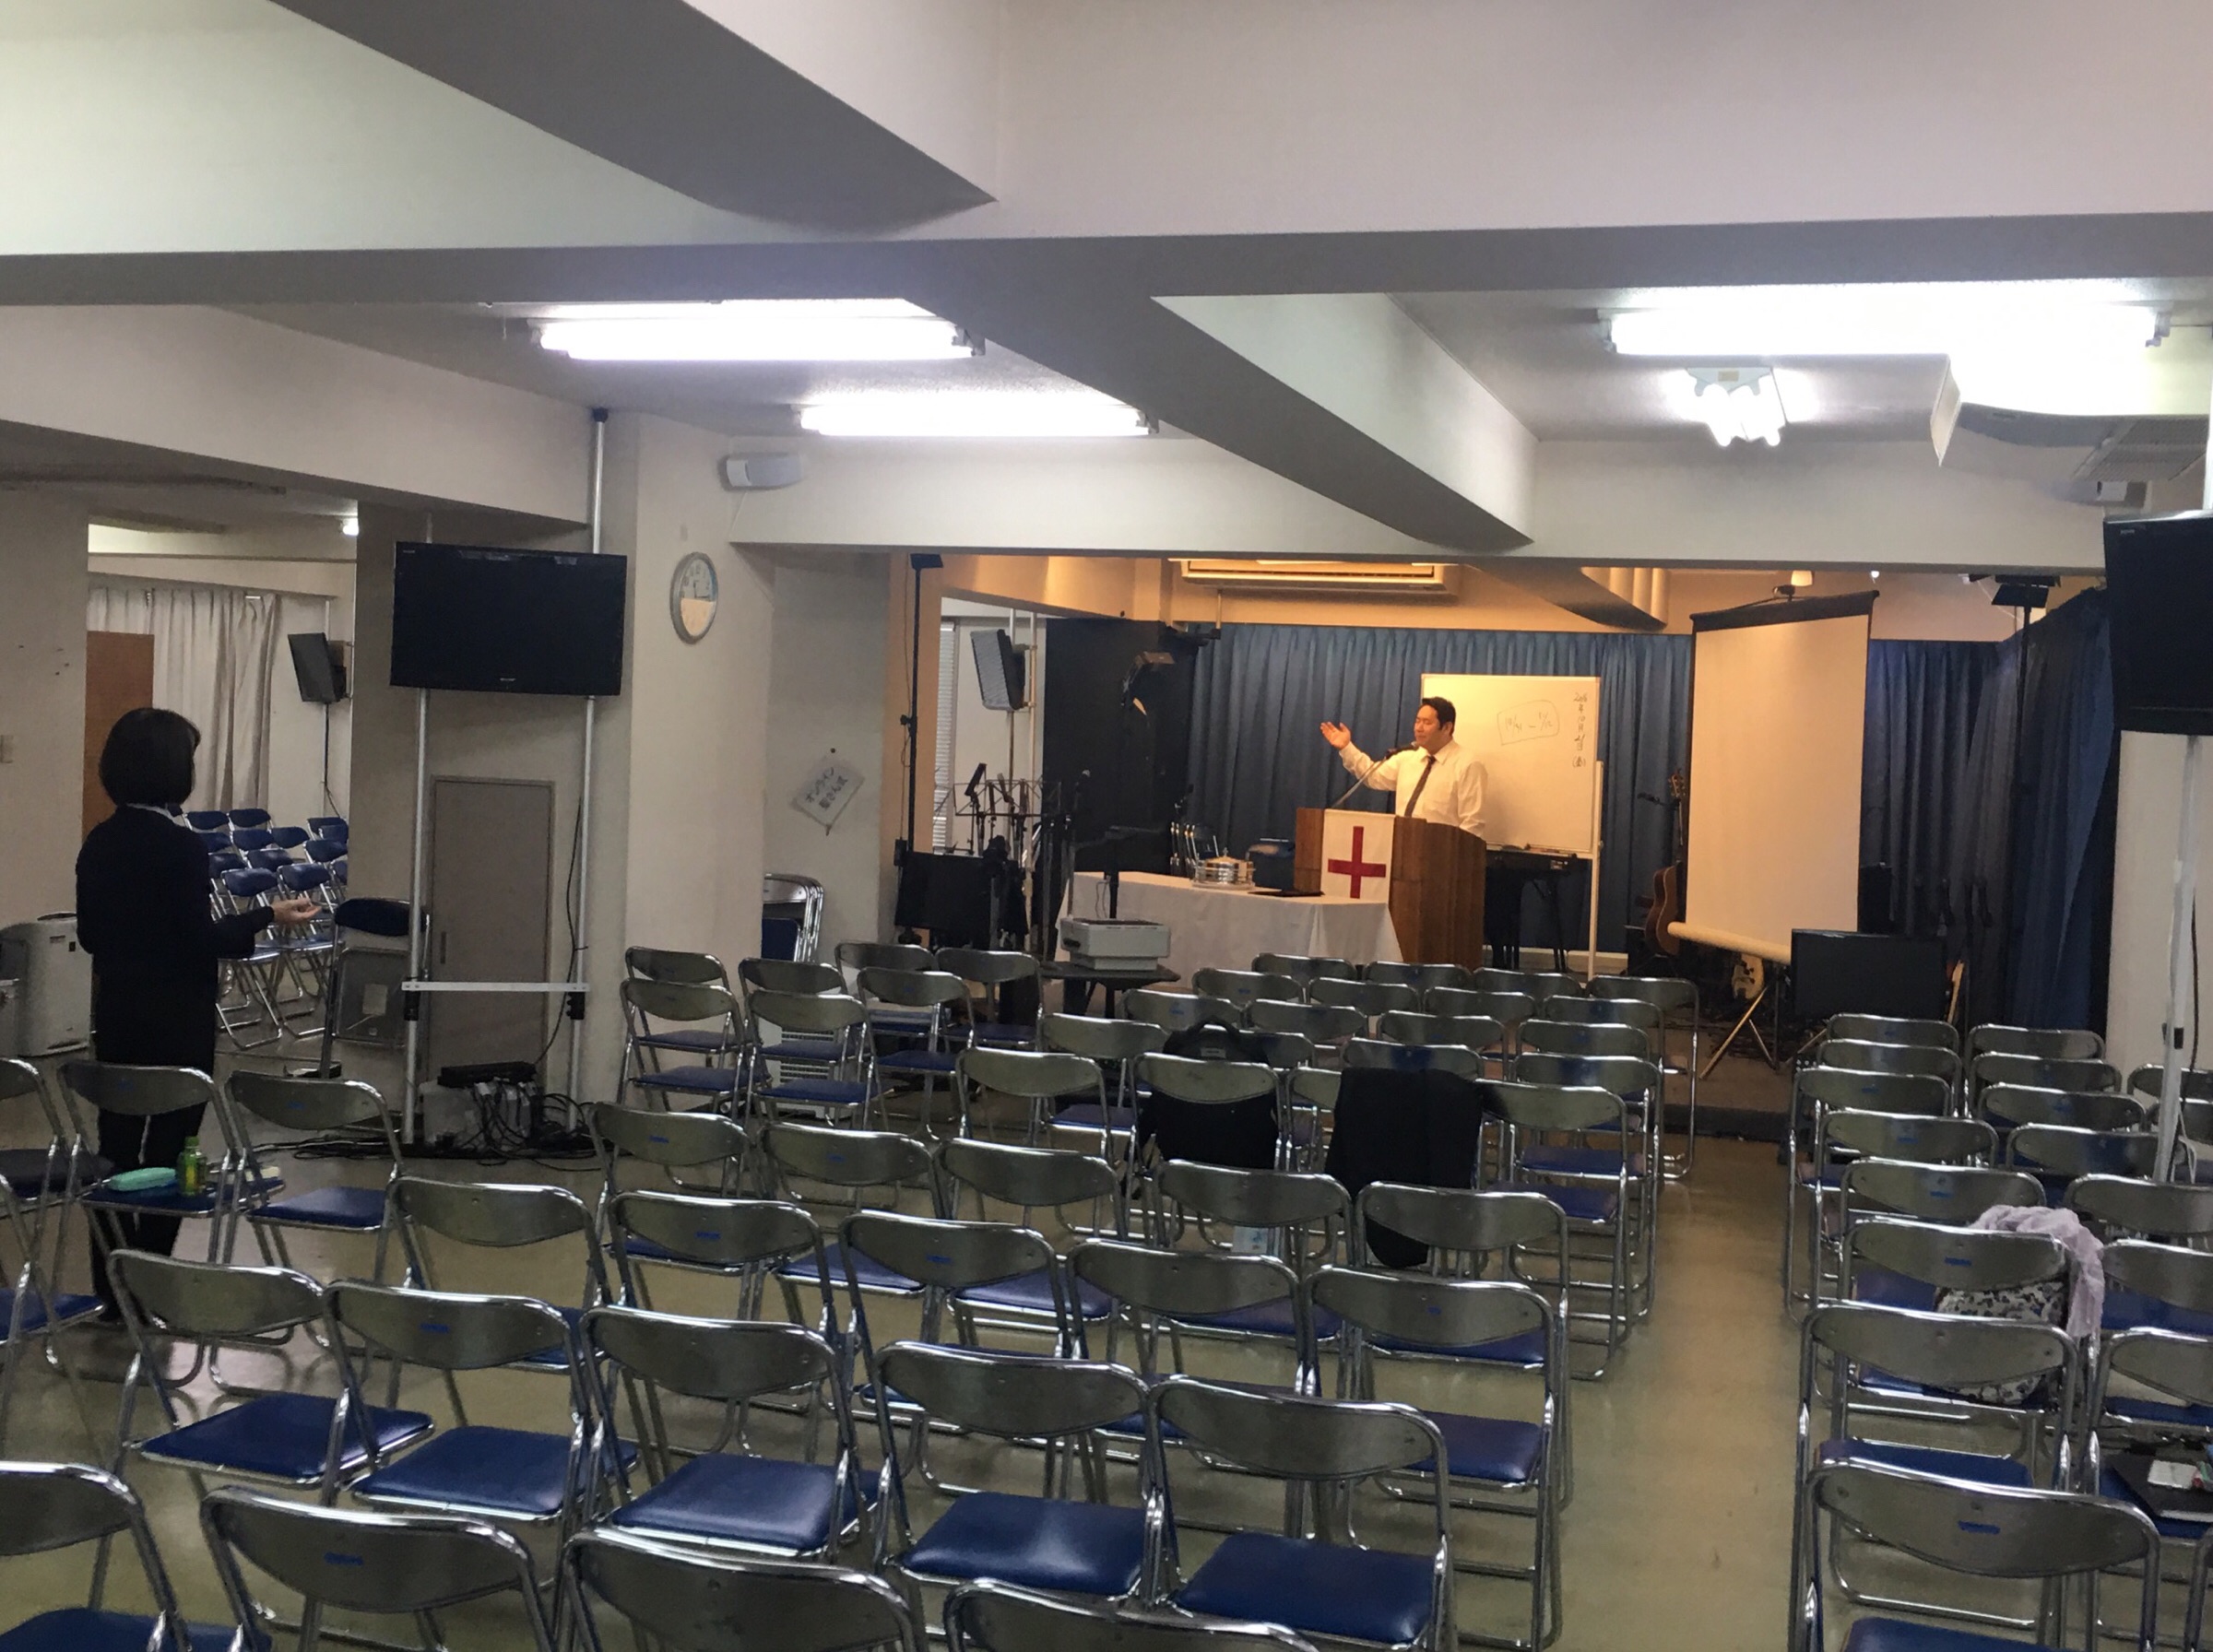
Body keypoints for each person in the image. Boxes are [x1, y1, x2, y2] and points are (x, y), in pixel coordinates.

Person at [74, 708, 319, 1308]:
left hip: (119, 1016)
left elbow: (91, 935)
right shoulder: (179, 846)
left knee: (114, 1152)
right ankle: (151, 1282)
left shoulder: (100, 840)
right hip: (176, 1019)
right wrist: (265, 916)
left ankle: (111, 1288)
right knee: (170, 1153)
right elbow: (197, 939)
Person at [1319, 695, 1486, 834]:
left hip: (1442, 853)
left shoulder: (1467, 764)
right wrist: (1346, 747)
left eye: (1427, 723)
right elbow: (1372, 776)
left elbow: (1472, 823)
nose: (1419, 728)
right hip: (1402, 848)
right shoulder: (1408, 758)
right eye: (1417, 721)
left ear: (1447, 728)